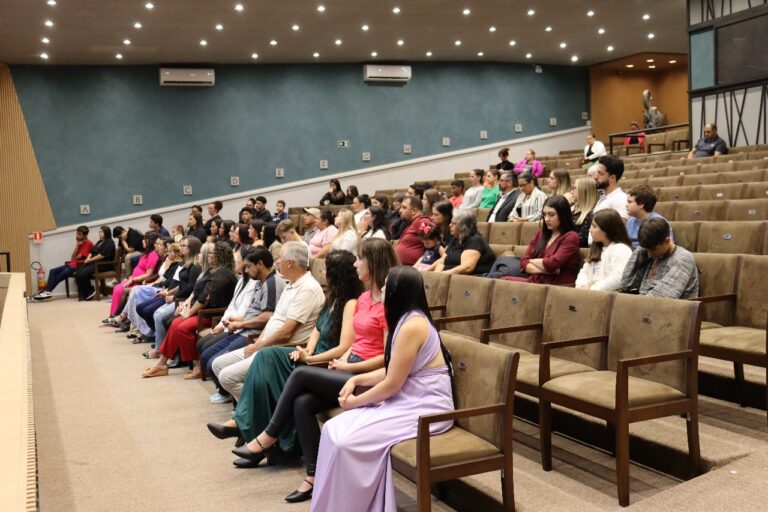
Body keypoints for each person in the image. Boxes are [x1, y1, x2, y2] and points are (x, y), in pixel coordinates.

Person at [222, 239, 397, 501]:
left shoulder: (387, 303)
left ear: (373, 264)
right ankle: (313, 476)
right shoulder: (362, 299)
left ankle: (268, 435)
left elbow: (387, 357)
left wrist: (345, 364)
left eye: (360, 259)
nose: (356, 263)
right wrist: (330, 359)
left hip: (366, 377)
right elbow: (352, 344)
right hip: (347, 369)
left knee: (300, 373)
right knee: (302, 403)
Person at [311, 266, 454, 511]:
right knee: (333, 429)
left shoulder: (413, 325)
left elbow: (392, 383)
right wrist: (357, 379)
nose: (383, 288)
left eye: (389, 284)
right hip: (408, 398)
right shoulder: (404, 319)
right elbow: (392, 370)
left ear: (400, 291)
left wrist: (356, 401)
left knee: (346, 441)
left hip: (426, 406)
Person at [207, 249, 361, 453]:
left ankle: (247, 426)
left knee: (265, 361)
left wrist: (311, 357)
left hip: (324, 362)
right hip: (309, 354)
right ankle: (251, 429)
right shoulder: (332, 298)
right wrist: (307, 349)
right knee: (263, 361)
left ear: (337, 274)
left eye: (326, 269)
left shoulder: (349, 303)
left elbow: (342, 347)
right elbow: (316, 329)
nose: (322, 273)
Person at [211, 241, 325, 399]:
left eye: (280, 258)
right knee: (217, 364)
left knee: (227, 376)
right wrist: (258, 343)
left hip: (280, 350)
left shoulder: (308, 289)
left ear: (290, 263)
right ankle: (252, 410)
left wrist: (259, 346)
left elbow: (286, 333)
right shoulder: (291, 284)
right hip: (265, 344)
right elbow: (273, 320)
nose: (277, 261)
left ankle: (255, 412)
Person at [200, 247, 285, 404]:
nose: (245, 270)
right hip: (244, 329)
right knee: (208, 356)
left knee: (213, 363)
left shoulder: (271, 284)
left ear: (259, 264)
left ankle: (243, 402)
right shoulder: (260, 282)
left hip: (252, 334)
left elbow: (267, 317)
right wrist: (237, 321)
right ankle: (235, 398)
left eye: (248, 266)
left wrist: (241, 323)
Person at [142, 241, 237, 378]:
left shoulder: (223, 274)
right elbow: (197, 292)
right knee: (175, 323)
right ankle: (162, 363)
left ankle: (198, 366)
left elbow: (205, 298)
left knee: (182, 327)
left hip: (213, 314)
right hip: (201, 311)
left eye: (211, 254)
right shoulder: (212, 270)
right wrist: (187, 305)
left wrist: (189, 312)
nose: (208, 256)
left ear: (219, 256)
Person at [139, 236, 202, 347]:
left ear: (192, 248)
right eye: (181, 245)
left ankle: (160, 348)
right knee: (154, 313)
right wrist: (170, 293)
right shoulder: (185, 263)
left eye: (183, 246)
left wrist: (174, 297)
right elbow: (181, 285)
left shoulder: (195, 266)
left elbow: (191, 287)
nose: (180, 248)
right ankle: (161, 342)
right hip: (178, 297)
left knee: (158, 315)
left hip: (184, 300)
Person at [620, 217, 699, 299]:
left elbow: (662, 298)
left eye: (653, 249)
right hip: (645, 306)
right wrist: (640, 251)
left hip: (671, 309)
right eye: (646, 249)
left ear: (667, 241)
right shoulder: (650, 255)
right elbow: (626, 283)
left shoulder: (683, 259)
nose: (649, 254)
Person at [512, 195, 580, 285]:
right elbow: (523, 262)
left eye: (551, 215)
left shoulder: (571, 236)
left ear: (563, 215)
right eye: (544, 214)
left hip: (556, 285)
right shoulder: (541, 234)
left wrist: (532, 260)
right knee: (502, 280)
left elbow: (552, 264)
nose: (547, 219)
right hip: (536, 282)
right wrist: (546, 270)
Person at [106, 231, 161, 320]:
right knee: (117, 288)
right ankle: (113, 315)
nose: (142, 241)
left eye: (145, 240)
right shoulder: (146, 253)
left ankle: (117, 316)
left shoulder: (153, 255)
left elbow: (148, 274)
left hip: (138, 282)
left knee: (119, 290)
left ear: (150, 242)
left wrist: (133, 279)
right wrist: (131, 277)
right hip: (134, 279)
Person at [575, 210, 634, 291]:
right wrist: (582, 286)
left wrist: (592, 290)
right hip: (588, 295)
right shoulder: (596, 248)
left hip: (607, 298)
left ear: (606, 230)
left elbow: (618, 277)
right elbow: (583, 272)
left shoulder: (621, 249)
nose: (590, 230)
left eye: (594, 226)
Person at [33, 225, 93, 300]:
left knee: (59, 276)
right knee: (53, 271)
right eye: (77, 233)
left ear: (85, 235)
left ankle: (46, 291)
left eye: (79, 234)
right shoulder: (79, 243)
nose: (77, 236)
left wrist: (77, 247)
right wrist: (77, 246)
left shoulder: (88, 243)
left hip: (79, 266)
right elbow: (73, 258)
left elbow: (78, 257)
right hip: (72, 264)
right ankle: (46, 291)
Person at [436, 208, 495, 275]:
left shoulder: (476, 240)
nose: (450, 225)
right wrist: (436, 275)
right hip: (449, 278)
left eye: (453, 223)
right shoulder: (456, 239)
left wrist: (442, 275)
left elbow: (467, 268)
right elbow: (442, 261)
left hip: (470, 280)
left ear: (463, 226)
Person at [74, 225, 116, 301]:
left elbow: (102, 255)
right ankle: (84, 293)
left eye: (101, 232)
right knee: (77, 274)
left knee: (83, 274)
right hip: (94, 263)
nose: (99, 233)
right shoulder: (99, 242)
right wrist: (88, 258)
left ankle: (90, 290)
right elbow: (92, 251)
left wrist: (90, 260)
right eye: (99, 231)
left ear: (106, 232)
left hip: (104, 264)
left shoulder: (110, 242)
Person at [395, 195, 433, 266]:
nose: (400, 210)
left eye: (404, 207)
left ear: (414, 211)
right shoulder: (412, 223)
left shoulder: (421, 222)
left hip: (412, 269)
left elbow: (434, 239)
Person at [592, 155, 628, 221]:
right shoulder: (604, 197)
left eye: (600, 173)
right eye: (597, 172)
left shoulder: (620, 199)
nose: (595, 177)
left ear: (612, 178)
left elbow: (620, 229)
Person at [571, 177, 599, 248]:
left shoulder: (590, 215)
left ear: (584, 191)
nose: (571, 192)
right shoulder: (570, 207)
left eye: (574, 188)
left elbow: (582, 240)